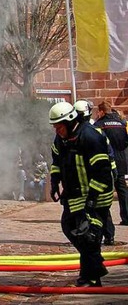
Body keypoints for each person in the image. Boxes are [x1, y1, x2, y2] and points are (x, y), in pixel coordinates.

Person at [49, 102, 114, 287]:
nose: (57, 131)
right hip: (76, 193)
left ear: (70, 122)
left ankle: (90, 277)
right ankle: (95, 267)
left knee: (89, 235)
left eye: (59, 127)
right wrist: (55, 182)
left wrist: (91, 202)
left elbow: (102, 172)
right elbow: (56, 161)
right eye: (54, 127)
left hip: (97, 194)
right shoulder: (61, 140)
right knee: (69, 226)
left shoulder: (91, 137)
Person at [75, 100, 119, 245]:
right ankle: (104, 235)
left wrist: (112, 169)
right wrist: (113, 170)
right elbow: (109, 153)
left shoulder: (93, 131)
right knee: (101, 210)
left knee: (99, 209)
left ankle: (100, 235)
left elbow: (107, 153)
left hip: (94, 178)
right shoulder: (94, 130)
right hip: (94, 177)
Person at [94, 101, 128, 227]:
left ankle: (105, 221)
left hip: (106, 162)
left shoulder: (99, 124)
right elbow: (125, 143)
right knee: (122, 190)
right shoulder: (122, 123)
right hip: (121, 160)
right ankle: (126, 217)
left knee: (103, 192)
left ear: (102, 111)